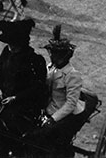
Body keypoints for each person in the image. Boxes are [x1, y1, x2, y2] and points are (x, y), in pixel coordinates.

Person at [0, 18, 47, 155]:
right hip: (0, 94)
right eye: (9, 44)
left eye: (14, 45)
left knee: (7, 122)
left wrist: (15, 97)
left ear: (22, 44)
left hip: (21, 102)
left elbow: (38, 88)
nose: (11, 47)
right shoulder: (6, 52)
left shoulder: (35, 61)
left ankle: (1, 149)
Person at [25, 25, 86, 153]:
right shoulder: (50, 68)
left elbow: (70, 103)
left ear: (64, 56)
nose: (52, 56)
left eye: (55, 54)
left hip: (63, 115)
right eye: (51, 53)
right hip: (47, 109)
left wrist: (53, 119)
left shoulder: (72, 75)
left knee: (41, 138)